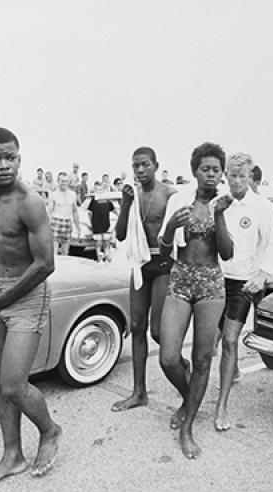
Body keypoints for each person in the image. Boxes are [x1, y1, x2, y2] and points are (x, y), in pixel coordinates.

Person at [0, 127, 61, 489]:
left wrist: (3, 298)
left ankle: (50, 430)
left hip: (27, 295)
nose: (4, 165)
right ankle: (12, 456)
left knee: (13, 385)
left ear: (19, 158)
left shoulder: (30, 201)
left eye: (11, 157)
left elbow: (46, 264)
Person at [158, 142, 233, 459]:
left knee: (203, 359)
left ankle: (188, 425)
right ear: (195, 171)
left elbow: (227, 253)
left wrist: (219, 217)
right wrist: (171, 227)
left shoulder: (225, 203)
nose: (211, 174)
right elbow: (163, 249)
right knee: (168, 357)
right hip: (181, 278)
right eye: (206, 169)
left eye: (217, 169)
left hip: (211, 284)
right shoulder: (179, 199)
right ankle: (190, 399)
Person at [110, 146, 177, 412]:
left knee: (159, 331)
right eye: (135, 165)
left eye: (145, 165)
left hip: (162, 264)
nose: (140, 170)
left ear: (155, 165)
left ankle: (180, 364)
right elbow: (120, 235)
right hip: (140, 264)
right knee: (137, 327)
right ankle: (139, 392)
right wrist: (125, 205)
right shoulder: (132, 195)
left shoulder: (169, 194)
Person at [214, 152, 273, 432]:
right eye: (232, 176)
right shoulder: (220, 204)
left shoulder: (263, 206)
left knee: (229, 341)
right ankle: (233, 370)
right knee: (209, 342)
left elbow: (272, 244)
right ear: (226, 176)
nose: (237, 181)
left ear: (250, 177)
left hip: (244, 283)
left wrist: (262, 275)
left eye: (242, 176)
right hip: (217, 280)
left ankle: (222, 405)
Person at [48, 172, 80, 255]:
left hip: (67, 222)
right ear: (58, 181)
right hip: (56, 222)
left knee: (65, 251)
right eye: (62, 181)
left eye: (66, 181)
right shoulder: (53, 195)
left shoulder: (73, 195)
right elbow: (49, 212)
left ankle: (64, 267)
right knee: (53, 250)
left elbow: (75, 211)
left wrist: (78, 227)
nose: (64, 183)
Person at [87, 182, 117, 262]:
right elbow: (89, 213)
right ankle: (99, 258)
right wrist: (91, 223)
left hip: (106, 225)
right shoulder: (93, 201)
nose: (99, 191)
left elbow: (114, 210)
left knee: (106, 243)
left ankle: (106, 258)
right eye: (97, 189)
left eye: (100, 189)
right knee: (98, 243)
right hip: (96, 226)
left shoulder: (107, 200)